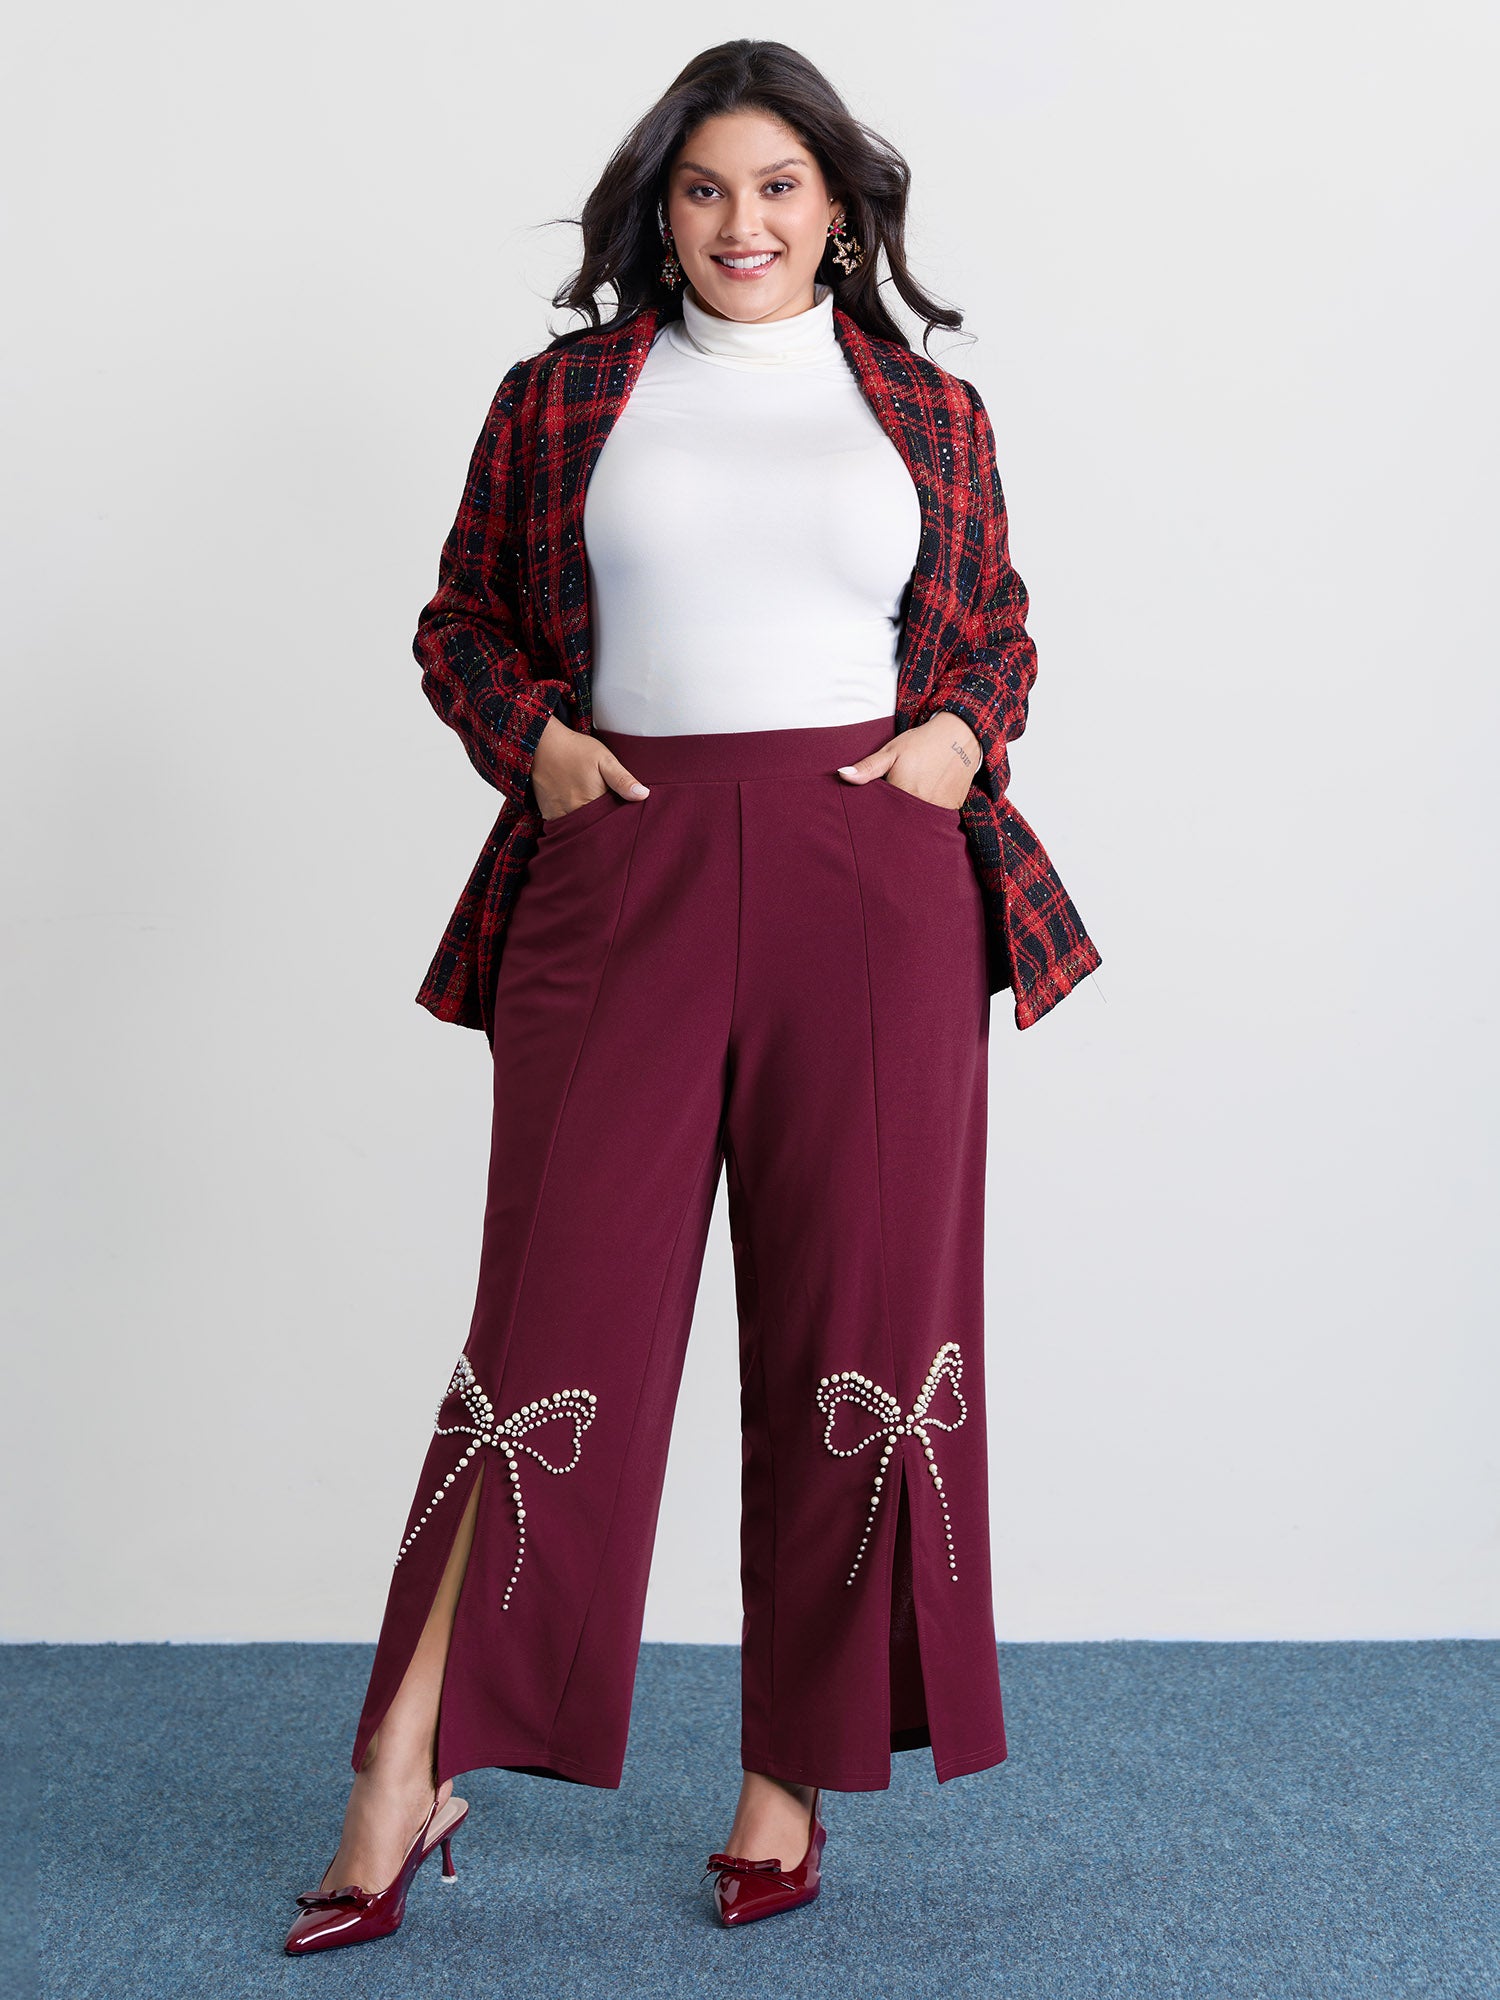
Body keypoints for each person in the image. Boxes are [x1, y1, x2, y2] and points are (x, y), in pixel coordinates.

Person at [284, 37, 1100, 1953]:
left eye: (780, 188)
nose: (745, 222)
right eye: (708, 189)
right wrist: (543, 750)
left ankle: (787, 1782)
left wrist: (961, 742)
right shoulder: (565, 398)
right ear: (662, 213)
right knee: (548, 1324)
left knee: (856, 1328)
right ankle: (405, 1764)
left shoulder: (930, 409)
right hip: (623, 867)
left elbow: (996, 628)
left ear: (839, 212)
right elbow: (460, 620)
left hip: (874, 883)